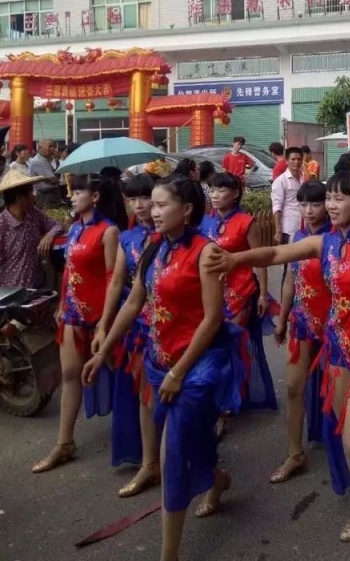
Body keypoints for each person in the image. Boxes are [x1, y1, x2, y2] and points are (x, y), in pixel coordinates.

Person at [206, 171, 350, 560]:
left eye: (339, 199)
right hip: (337, 350)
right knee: (345, 436)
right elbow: (276, 255)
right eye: (328, 198)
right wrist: (235, 259)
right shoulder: (326, 241)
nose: (331, 205)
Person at [82, 175, 243, 561]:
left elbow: (212, 320)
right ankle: (217, 478)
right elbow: (135, 302)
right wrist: (103, 351)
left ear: (186, 210)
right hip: (160, 359)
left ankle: (168, 555)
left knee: (173, 452)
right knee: (193, 438)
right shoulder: (154, 248)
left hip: (198, 365)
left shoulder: (206, 252)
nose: (152, 212)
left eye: (160, 205)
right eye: (150, 205)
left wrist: (178, 373)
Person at [32, 173, 127, 473]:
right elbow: (69, 271)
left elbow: (114, 277)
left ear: (95, 197)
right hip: (73, 314)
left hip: (101, 315)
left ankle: (147, 441)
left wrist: (106, 321)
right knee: (70, 375)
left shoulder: (108, 231)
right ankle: (64, 443)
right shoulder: (74, 229)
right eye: (71, 192)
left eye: (78, 192)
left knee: (126, 376)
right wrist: (62, 304)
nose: (71, 196)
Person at [92, 173, 160, 497]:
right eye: (132, 199)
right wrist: (104, 324)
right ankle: (150, 463)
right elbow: (117, 283)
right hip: (136, 328)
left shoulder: (176, 238)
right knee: (144, 395)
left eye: (145, 197)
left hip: (172, 329)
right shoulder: (129, 239)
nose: (140, 205)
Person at [201, 173, 276, 413]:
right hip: (210, 294)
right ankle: (221, 396)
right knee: (213, 346)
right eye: (211, 190)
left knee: (232, 345)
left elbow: (260, 259)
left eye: (221, 190)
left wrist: (263, 294)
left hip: (241, 294)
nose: (215, 195)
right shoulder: (204, 223)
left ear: (234, 194)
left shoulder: (246, 222)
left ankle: (230, 400)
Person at [271, 181, 330, 484]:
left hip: (335, 327)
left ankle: (349, 452)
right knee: (294, 387)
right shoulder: (297, 236)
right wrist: (282, 318)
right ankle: (295, 454)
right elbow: (289, 281)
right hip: (302, 322)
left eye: (315, 204)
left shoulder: (336, 238)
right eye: (303, 205)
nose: (308, 211)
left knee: (338, 394)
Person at [0, 170, 64, 288]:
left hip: (36, 288)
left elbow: (57, 225)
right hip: (11, 293)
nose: (34, 195)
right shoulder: (2, 224)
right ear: (19, 197)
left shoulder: (33, 213)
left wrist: (48, 235)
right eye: (31, 191)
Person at [272, 146, 303, 247]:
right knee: (289, 259)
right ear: (286, 161)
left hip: (304, 226)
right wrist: (278, 230)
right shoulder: (281, 181)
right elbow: (277, 206)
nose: (296, 162)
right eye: (293, 159)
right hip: (289, 227)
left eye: (299, 159)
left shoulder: (304, 177)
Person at [29, 139, 62, 208]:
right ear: (40, 147)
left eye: (53, 147)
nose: (53, 149)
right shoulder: (37, 161)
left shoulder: (46, 159)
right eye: (50, 146)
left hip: (52, 193)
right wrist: (56, 180)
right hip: (45, 195)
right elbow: (53, 179)